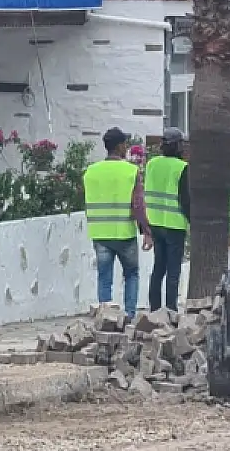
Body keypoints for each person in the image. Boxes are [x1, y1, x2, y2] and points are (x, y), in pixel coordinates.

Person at [83, 127, 152, 320]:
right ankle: (129, 315)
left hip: (100, 234)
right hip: (124, 234)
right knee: (131, 274)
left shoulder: (90, 171)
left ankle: (106, 317)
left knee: (104, 277)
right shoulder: (131, 170)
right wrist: (147, 231)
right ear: (120, 146)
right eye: (125, 144)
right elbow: (138, 205)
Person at [144, 128, 191, 311]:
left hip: (155, 224)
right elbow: (185, 199)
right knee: (173, 271)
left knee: (158, 268)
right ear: (178, 146)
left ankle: (154, 310)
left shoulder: (151, 164)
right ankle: (171, 311)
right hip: (174, 225)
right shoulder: (182, 167)